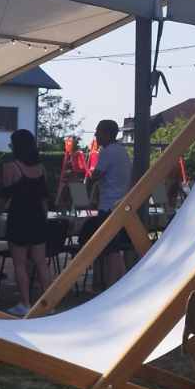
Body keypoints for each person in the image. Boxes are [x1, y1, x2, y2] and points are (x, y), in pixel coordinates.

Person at [0, 129, 54, 315]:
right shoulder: (41, 169)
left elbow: (4, 197)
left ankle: (25, 303)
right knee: (41, 262)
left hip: (19, 218)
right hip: (38, 218)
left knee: (20, 264)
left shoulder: (10, 167)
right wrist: (44, 217)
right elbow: (44, 198)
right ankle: (49, 303)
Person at [86, 118, 132, 288]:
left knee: (110, 249)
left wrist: (88, 181)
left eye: (98, 132)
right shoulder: (122, 151)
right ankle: (122, 283)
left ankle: (111, 286)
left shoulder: (107, 152)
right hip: (121, 205)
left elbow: (95, 176)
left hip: (108, 206)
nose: (96, 135)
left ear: (106, 134)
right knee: (116, 248)